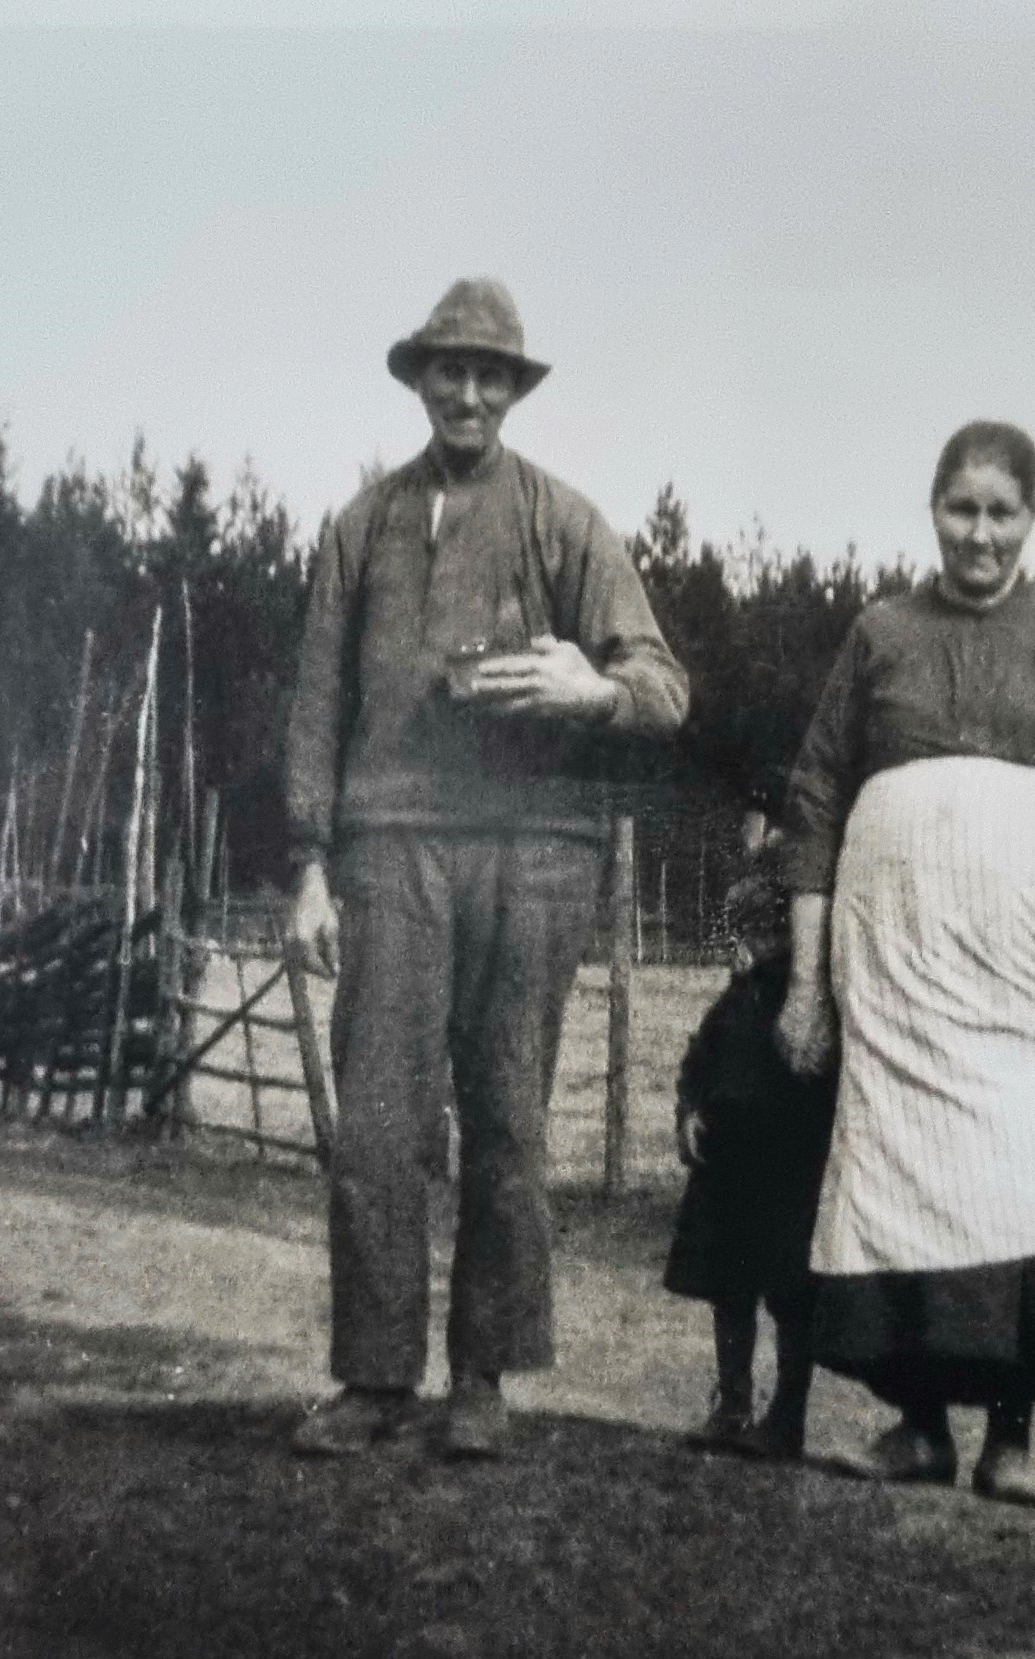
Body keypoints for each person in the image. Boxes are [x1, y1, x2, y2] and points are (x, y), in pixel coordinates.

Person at [283, 277, 688, 1457]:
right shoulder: (360, 529)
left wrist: (591, 689)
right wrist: (308, 864)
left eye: (489, 374)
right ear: (419, 380)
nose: (467, 392)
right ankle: (373, 1379)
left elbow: (664, 688)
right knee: (378, 1124)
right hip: (392, 848)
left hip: (534, 854)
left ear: (514, 389)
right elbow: (316, 706)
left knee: (508, 1118)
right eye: (448, 369)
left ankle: (482, 1381)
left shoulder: (566, 523)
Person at [775, 420, 1035, 1508]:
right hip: (897, 969)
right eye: (962, 508)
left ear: (1031, 518)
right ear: (933, 510)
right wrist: (808, 981)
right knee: (904, 1169)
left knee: (1020, 1174)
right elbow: (814, 796)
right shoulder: (880, 633)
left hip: (1030, 982)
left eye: (1002, 512)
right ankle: (917, 1429)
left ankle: (1010, 1439)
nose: (980, 534)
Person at [662, 829, 836, 1462]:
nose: (756, 943)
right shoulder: (736, 998)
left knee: (791, 1295)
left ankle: (787, 1417)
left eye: (770, 928)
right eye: (748, 929)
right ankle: (732, 1404)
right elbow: (699, 1059)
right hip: (729, 1167)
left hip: (789, 1169)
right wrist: (688, 1111)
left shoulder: (816, 1006)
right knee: (729, 1290)